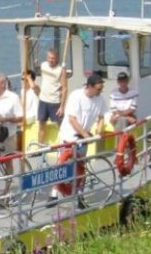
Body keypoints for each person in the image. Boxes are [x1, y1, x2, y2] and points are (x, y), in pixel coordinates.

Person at [49, 74, 108, 204]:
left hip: (83, 138)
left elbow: (101, 117)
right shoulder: (76, 96)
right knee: (61, 164)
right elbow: (72, 119)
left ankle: (80, 195)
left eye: (101, 89)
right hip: (69, 136)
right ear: (89, 86)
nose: (101, 91)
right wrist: (85, 134)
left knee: (81, 166)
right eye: (98, 89)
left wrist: (99, 129)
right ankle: (53, 194)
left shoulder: (100, 99)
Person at [0, 73, 24, 156]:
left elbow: (20, 117)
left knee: (7, 161)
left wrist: (6, 119)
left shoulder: (13, 97)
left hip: (7, 136)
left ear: (2, 84)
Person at [38, 48, 68, 143]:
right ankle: (39, 146)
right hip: (43, 100)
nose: (51, 60)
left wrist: (62, 106)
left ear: (57, 59)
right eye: (49, 58)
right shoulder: (43, 65)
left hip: (55, 102)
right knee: (41, 124)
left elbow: (64, 88)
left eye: (53, 58)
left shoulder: (61, 70)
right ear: (47, 58)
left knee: (61, 126)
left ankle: (65, 146)